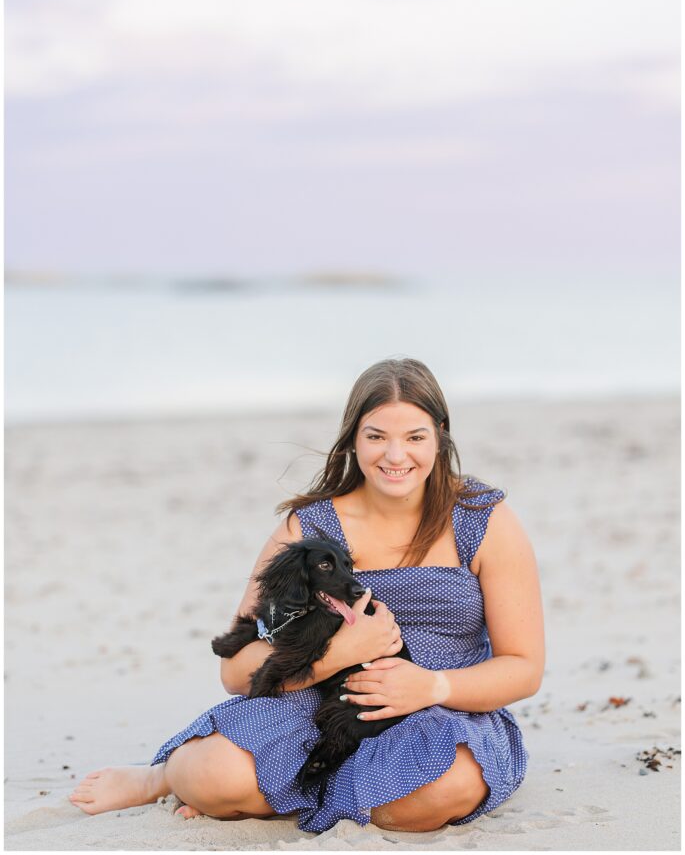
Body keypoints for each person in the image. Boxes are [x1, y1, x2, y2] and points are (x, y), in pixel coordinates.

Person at [69, 357, 545, 833]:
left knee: (444, 786)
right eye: (376, 436)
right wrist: (334, 655)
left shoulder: (482, 518)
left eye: (415, 437)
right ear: (353, 438)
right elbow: (235, 669)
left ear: (440, 434)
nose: (395, 456)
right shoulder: (310, 528)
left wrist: (433, 686)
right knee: (213, 773)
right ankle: (161, 777)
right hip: (311, 703)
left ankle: (288, 797)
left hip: (442, 709)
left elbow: (523, 666)